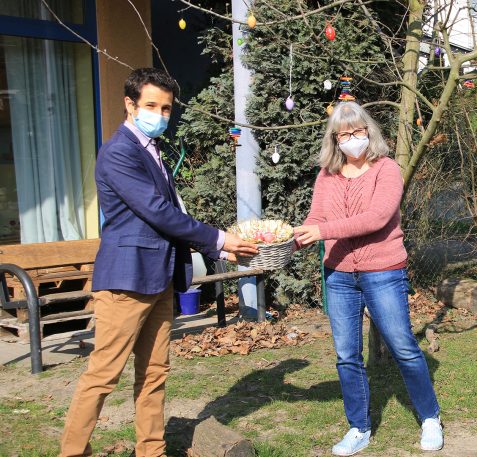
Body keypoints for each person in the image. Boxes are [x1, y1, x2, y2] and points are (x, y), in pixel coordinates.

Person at [59, 68, 257, 457]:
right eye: (151, 106)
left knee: (153, 375)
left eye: (166, 108)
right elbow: (157, 213)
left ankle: (151, 451)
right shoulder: (119, 152)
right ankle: (72, 452)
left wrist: (219, 250)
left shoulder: (153, 150)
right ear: (129, 105)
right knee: (103, 375)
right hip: (125, 282)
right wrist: (218, 238)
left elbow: (168, 221)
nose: (160, 115)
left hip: (159, 278)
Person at [294, 101, 443, 455]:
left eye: (358, 131)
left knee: (403, 347)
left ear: (369, 132)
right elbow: (317, 216)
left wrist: (324, 230)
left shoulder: (386, 169)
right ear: (334, 139)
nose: (352, 139)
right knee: (347, 354)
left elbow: (377, 217)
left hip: (383, 271)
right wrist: (299, 236)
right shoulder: (326, 174)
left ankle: (430, 417)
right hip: (339, 275)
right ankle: (358, 427)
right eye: (344, 134)